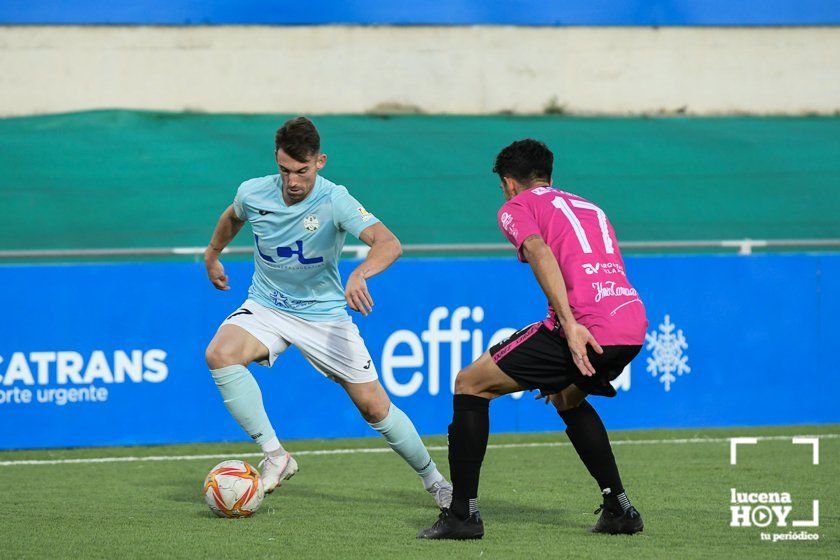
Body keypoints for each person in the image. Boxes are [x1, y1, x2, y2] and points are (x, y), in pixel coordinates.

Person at [203, 116, 451, 508]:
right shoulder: (253, 193)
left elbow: (388, 243)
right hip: (267, 305)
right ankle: (276, 456)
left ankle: (436, 481)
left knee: (375, 407)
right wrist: (213, 253)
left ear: (320, 161)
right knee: (219, 354)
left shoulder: (335, 199)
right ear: (276, 161)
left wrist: (361, 273)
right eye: (285, 170)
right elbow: (233, 217)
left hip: (324, 316)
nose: (293, 181)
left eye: (302, 171)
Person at [418, 139, 647, 539]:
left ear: (509, 183)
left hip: (584, 325)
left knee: (470, 383)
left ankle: (461, 515)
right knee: (567, 397)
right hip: (630, 322)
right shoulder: (590, 206)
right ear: (549, 175)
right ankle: (620, 509)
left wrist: (569, 323)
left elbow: (539, 251)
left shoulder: (516, 206)